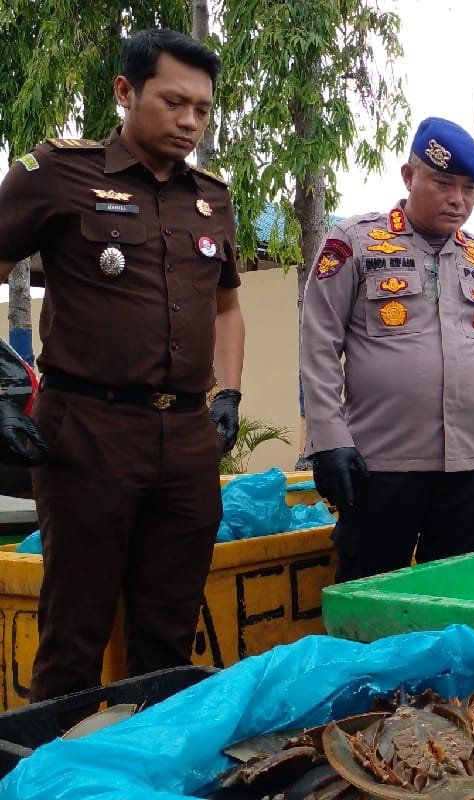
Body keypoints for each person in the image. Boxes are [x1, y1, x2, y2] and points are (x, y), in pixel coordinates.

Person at [0, 29, 245, 703]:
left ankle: (149, 771)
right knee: (74, 631)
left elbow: (226, 308)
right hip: (89, 432)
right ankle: (53, 775)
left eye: (202, 108)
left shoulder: (212, 196)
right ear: (125, 92)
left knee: (169, 633)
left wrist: (229, 395)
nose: (190, 121)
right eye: (173, 102)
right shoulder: (55, 171)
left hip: (188, 440)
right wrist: (2, 385)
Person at [301, 117, 474, 582]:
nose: (458, 200)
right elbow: (320, 346)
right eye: (444, 183)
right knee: (372, 596)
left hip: (470, 466)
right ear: (409, 177)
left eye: (469, 188)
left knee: (457, 599)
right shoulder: (355, 241)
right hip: (383, 464)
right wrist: (329, 441)